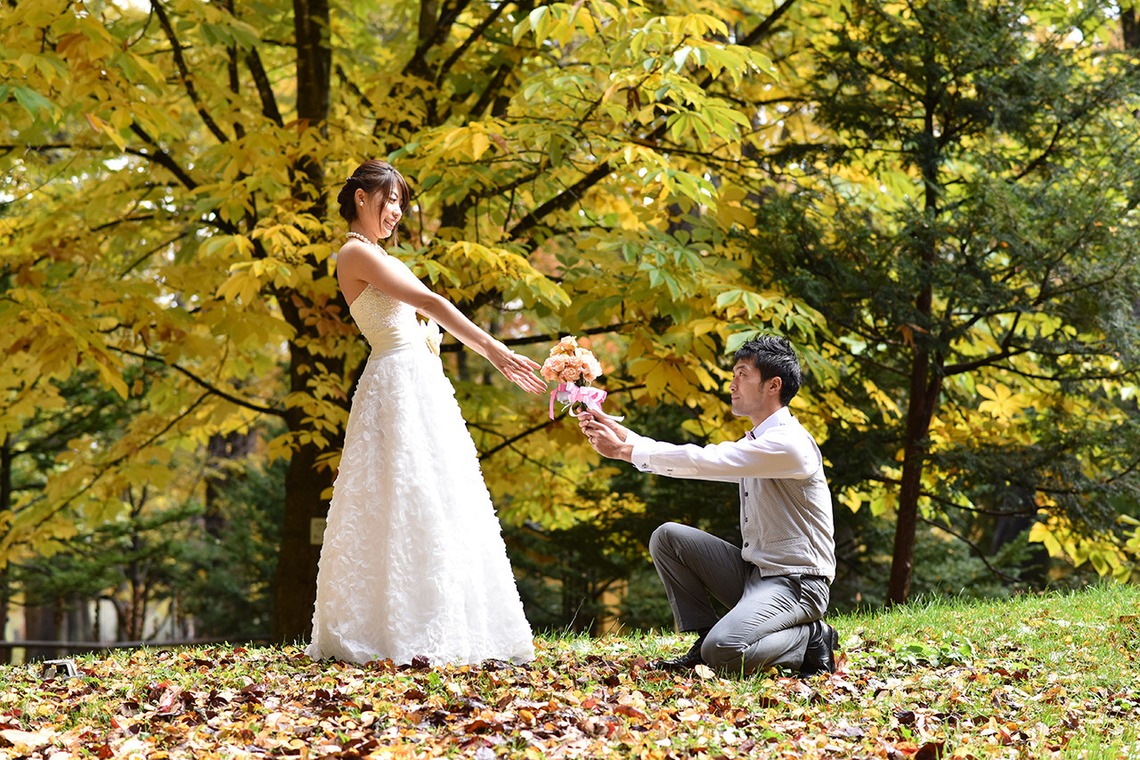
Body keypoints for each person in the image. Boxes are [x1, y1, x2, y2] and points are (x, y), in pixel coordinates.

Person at [306, 159, 542, 666]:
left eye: (400, 203)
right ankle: (397, 627)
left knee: (439, 498)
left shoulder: (376, 254)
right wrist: (494, 350)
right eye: (388, 200)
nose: (395, 212)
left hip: (417, 383)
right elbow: (430, 302)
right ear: (362, 197)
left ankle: (453, 619)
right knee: (401, 497)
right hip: (397, 384)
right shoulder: (354, 252)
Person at [578, 335, 838, 677]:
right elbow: (701, 462)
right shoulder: (760, 442)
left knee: (727, 651)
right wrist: (621, 435)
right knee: (668, 537)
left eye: (743, 374)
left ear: (773, 385)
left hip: (797, 582)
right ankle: (703, 642)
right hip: (754, 573)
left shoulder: (789, 444)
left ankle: (810, 637)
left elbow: (704, 460)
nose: (732, 384)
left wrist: (626, 451)